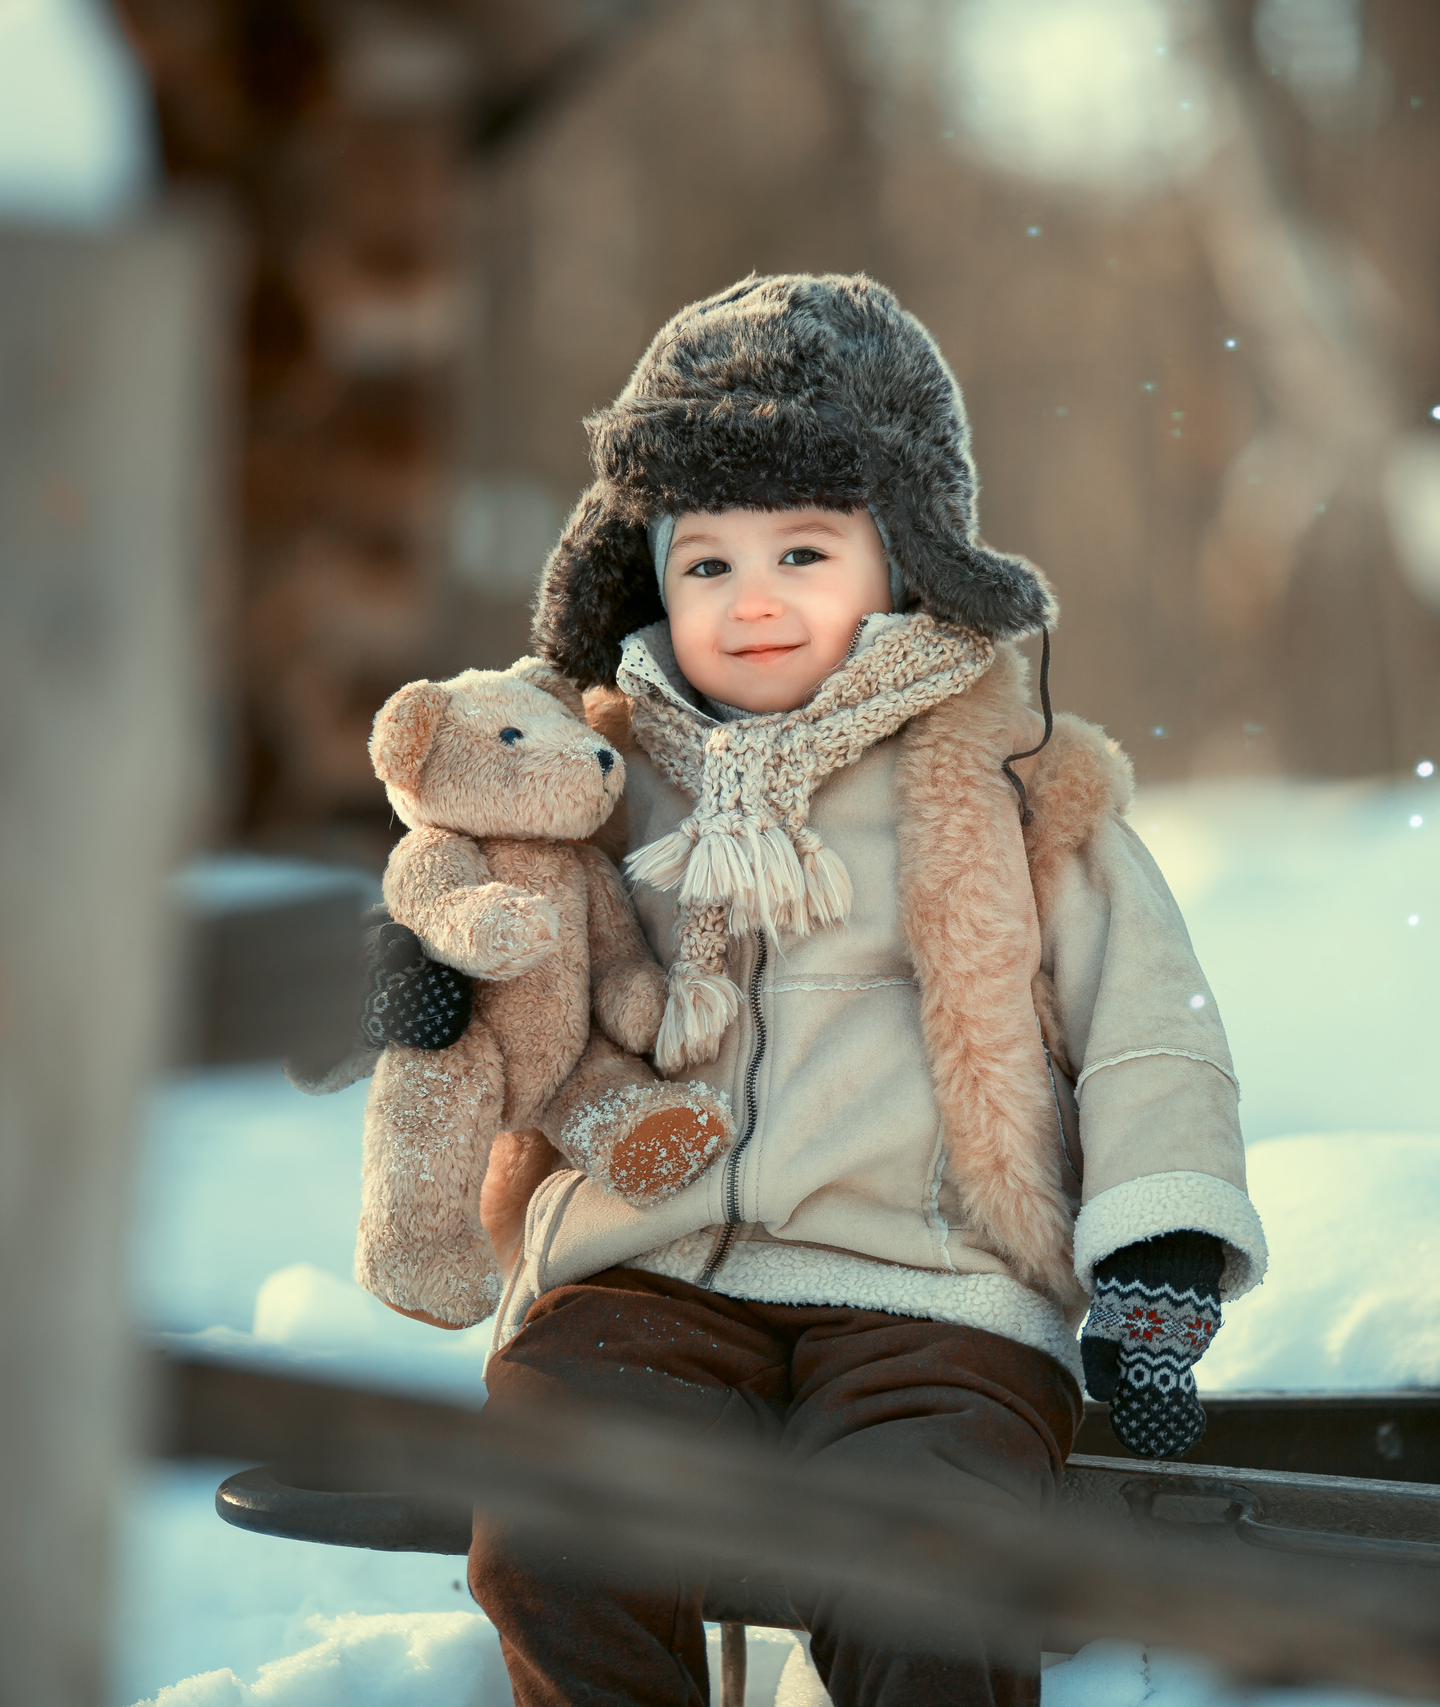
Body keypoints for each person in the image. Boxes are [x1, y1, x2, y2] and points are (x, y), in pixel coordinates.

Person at [468, 272, 1266, 1707]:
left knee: (924, 1567)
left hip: (934, 1302)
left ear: (905, 559)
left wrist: (1156, 1258)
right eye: (706, 563)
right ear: (643, 575)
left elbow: (1150, 1027)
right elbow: (527, 975)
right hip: (644, 1280)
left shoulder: (1009, 778)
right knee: (556, 1523)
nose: (753, 601)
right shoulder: (597, 777)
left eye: (804, 551)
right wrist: (445, 971)